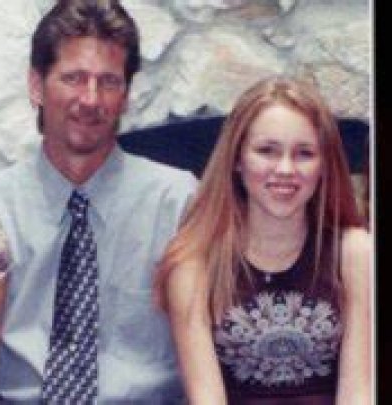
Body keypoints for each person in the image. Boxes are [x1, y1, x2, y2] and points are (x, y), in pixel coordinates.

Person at [0, 0, 197, 402]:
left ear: (126, 95)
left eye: (109, 82)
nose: (91, 99)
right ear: (36, 85)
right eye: (74, 78)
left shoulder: (176, 203)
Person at [154, 77, 372, 404]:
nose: (285, 169)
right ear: (237, 159)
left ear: (324, 165)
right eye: (267, 151)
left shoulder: (356, 253)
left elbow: (359, 392)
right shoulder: (192, 263)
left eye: (304, 153)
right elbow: (206, 398)